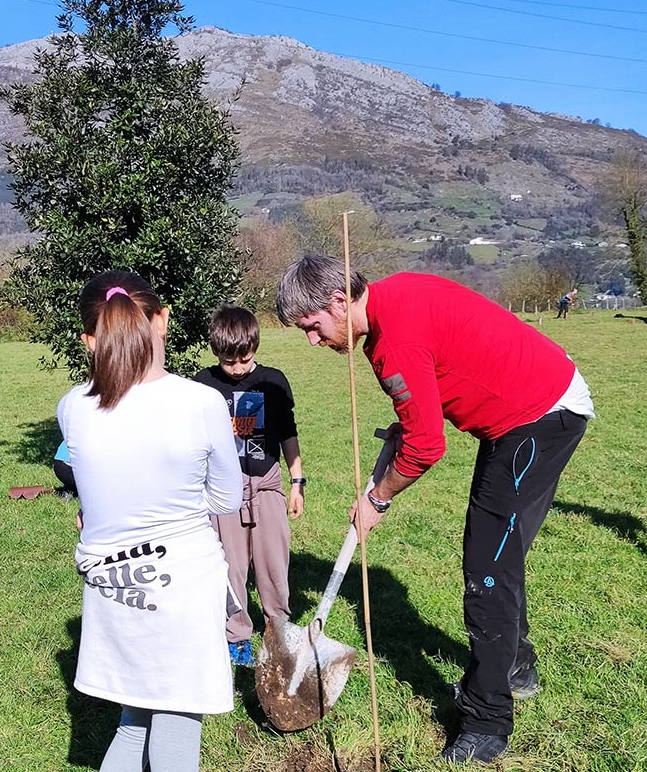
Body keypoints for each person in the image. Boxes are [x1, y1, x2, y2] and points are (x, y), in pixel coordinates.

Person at [275, 255, 593, 765]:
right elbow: (436, 375)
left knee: (487, 570)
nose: (313, 340)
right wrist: (408, 422)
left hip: (536, 415)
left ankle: (486, 721)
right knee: (499, 556)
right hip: (539, 404)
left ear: (337, 301)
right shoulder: (394, 297)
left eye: (312, 326)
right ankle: (515, 665)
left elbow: (426, 446)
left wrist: (377, 497)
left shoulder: (392, 344)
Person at [57, 271, 243, 772]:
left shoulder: (72, 407)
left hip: (112, 588)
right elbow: (227, 498)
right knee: (177, 723)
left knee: (134, 718)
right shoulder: (202, 402)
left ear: (89, 340)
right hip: (180, 586)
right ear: (162, 320)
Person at [193, 305, 305, 667]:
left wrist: (297, 482)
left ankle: (278, 631)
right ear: (216, 352)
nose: (239, 368)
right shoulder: (202, 385)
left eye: (245, 359)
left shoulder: (273, 381)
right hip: (224, 492)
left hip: (267, 485)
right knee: (230, 567)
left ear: (255, 346)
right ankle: (236, 635)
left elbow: (288, 433)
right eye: (230, 362)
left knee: (274, 564)